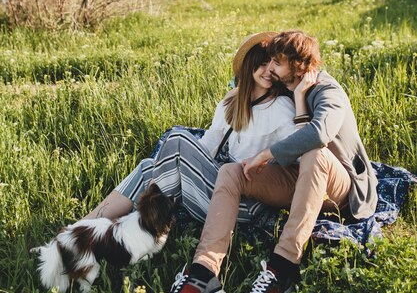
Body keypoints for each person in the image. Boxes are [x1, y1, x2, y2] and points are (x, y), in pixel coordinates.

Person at [165, 30, 378, 293]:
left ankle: (282, 268)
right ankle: (204, 273)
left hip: (338, 187)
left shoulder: (329, 92)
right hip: (296, 178)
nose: (271, 69)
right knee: (231, 171)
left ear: (298, 65)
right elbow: (249, 95)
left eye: (277, 62)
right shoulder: (285, 88)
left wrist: (266, 155)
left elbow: (320, 135)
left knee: (315, 152)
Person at [85, 32, 299, 234]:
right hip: (216, 185)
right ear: (249, 65)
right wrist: (181, 165)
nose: (269, 71)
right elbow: (209, 145)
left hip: (245, 202)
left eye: (274, 64)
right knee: (146, 167)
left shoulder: (280, 107)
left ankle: (141, 228)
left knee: (178, 138)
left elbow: (297, 154)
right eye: (262, 64)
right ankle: (86, 225)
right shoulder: (232, 101)